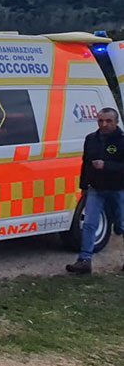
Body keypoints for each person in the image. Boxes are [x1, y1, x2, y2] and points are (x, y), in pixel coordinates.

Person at [66, 107, 124, 275]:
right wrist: (83, 187)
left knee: (121, 226)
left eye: (108, 121)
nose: (104, 124)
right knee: (90, 224)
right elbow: (85, 164)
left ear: (116, 122)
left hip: (118, 189)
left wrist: (107, 166)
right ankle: (84, 261)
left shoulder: (121, 140)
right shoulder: (91, 139)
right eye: (100, 121)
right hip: (96, 189)